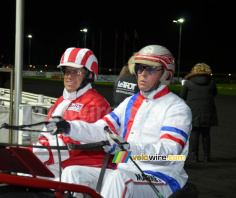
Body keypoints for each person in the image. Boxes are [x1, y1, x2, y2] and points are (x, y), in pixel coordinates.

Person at [46, 45, 192, 197]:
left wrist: (128, 149)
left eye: (151, 70)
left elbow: (170, 155)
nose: (142, 74)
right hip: (126, 171)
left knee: (120, 178)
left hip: (162, 176)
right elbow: (101, 129)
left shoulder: (178, 108)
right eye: (140, 68)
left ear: (166, 75)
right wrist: (69, 127)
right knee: (72, 172)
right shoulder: (130, 102)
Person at [31, 47, 113, 180]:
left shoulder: (96, 103)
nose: (70, 76)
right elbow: (46, 134)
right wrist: (34, 151)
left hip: (86, 166)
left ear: (89, 76)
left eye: (76, 72)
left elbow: (74, 144)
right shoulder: (61, 101)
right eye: (67, 71)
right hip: (62, 162)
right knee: (26, 170)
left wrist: (40, 153)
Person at [180, 63, 218, 162]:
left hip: (193, 110)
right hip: (207, 110)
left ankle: (195, 156)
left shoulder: (188, 83)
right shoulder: (211, 82)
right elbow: (214, 93)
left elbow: (182, 96)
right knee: (206, 134)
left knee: (194, 133)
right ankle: (207, 156)